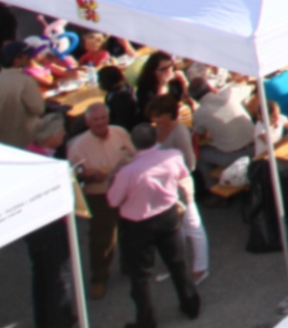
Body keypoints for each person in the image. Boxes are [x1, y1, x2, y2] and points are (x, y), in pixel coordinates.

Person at [109, 124, 203, 321]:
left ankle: (147, 321)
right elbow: (183, 175)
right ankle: (191, 305)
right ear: (155, 138)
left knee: (141, 276)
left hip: (137, 224)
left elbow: (113, 200)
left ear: (133, 144)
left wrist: (113, 176)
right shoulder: (173, 156)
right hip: (167, 216)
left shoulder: (128, 171)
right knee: (178, 263)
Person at [68, 103, 138, 299]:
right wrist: (88, 176)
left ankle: (128, 264)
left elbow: (134, 154)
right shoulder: (78, 146)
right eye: (95, 119)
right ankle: (99, 278)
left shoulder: (120, 133)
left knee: (129, 228)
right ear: (88, 122)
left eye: (103, 118)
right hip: (99, 194)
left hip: (125, 189)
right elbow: (76, 174)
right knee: (102, 238)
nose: (100, 123)